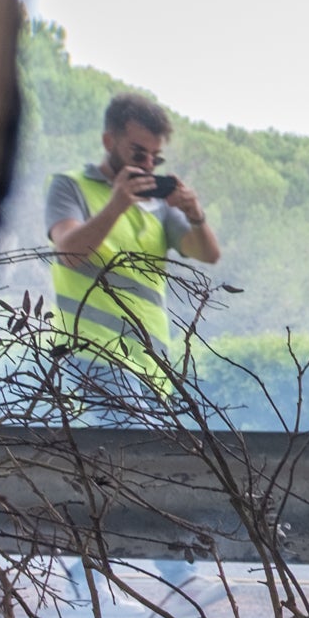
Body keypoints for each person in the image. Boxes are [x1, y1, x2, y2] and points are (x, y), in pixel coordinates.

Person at [46, 90, 220, 398]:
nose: (148, 166)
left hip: (153, 366)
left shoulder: (161, 207)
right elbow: (68, 252)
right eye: (138, 155)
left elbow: (208, 254)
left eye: (156, 158)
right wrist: (117, 204)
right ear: (109, 142)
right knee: (136, 445)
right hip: (94, 355)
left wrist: (196, 215)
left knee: (156, 447)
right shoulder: (69, 186)